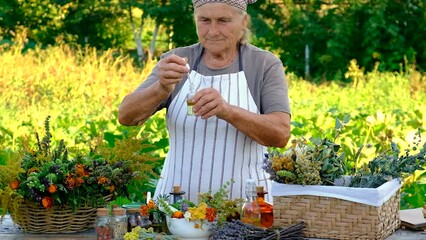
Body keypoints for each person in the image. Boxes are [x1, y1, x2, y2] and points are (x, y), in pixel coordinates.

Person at [118, 0, 291, 203]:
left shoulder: (264, 64)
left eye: (223, 20)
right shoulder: (176, 61)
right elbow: (126, 116)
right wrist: (161, 88)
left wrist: (227, 110)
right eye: (205, 20)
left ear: (244, 21)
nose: (213, 31)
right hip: (176, 209)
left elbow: (280, 134)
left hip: (247, 211)